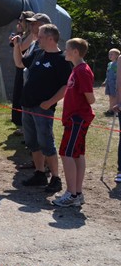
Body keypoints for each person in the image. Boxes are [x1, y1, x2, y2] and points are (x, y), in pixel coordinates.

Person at [12, 23, 71, 193]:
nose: (37, 38)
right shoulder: (38, 53)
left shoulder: (62, 59)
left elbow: (66, 86)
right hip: (27, 105)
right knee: (32, 142)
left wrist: (50, 102)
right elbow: (19, 63)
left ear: (51, 38)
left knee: (46, 143)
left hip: (43, 109)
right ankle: (39, 173)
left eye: (41, 36)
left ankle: (56, 178)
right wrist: (16, 46)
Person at [52, 38, 95, 207]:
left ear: (75, 52)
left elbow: (90, 99)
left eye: (67, 49)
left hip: (77, 119)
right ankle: (77, 193)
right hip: (74, 119)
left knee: (66, 153)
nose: (65, 51)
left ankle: (71, 194)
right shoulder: (76, 69)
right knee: (76, 154)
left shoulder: (82, 71)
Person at [9, 11, 35, 134]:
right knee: (17, 95)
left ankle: (24, 126)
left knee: (22, 95)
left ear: (27, 21)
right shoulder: (24, 33)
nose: (19, 22)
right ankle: (21, 124)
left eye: (21, 20)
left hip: (26, 67)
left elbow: (22, 47)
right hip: (20, 67)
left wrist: (17, 42)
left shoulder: (32, 35)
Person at [103, 48, 119, 116]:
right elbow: (108, 73)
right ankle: (110, 109)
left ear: (117, 55)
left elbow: (118, 74)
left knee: (114, 96)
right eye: (109, 54)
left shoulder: (118, 64)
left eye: (112, 54)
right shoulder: (109, 64)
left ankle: (115, 111)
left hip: (114, 83)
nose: (110, 55)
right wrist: (105, 80)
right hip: (109, 83)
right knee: (110, 96)